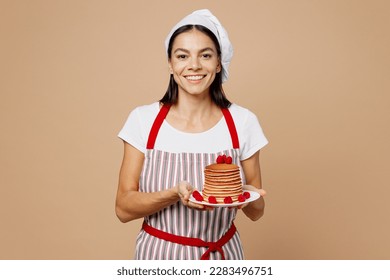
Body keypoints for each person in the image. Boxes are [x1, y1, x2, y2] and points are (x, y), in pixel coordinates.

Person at [116, 9, 268, 260]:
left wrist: (245, 195)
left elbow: (257, 211)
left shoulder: (243, 122)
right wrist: (174, 194)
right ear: (170, 63)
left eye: (205, 55)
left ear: (219, 63)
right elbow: (123, 208)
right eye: (182, 55)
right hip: (158, 257)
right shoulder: (143, 120)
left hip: (223, 256)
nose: (194, 65)